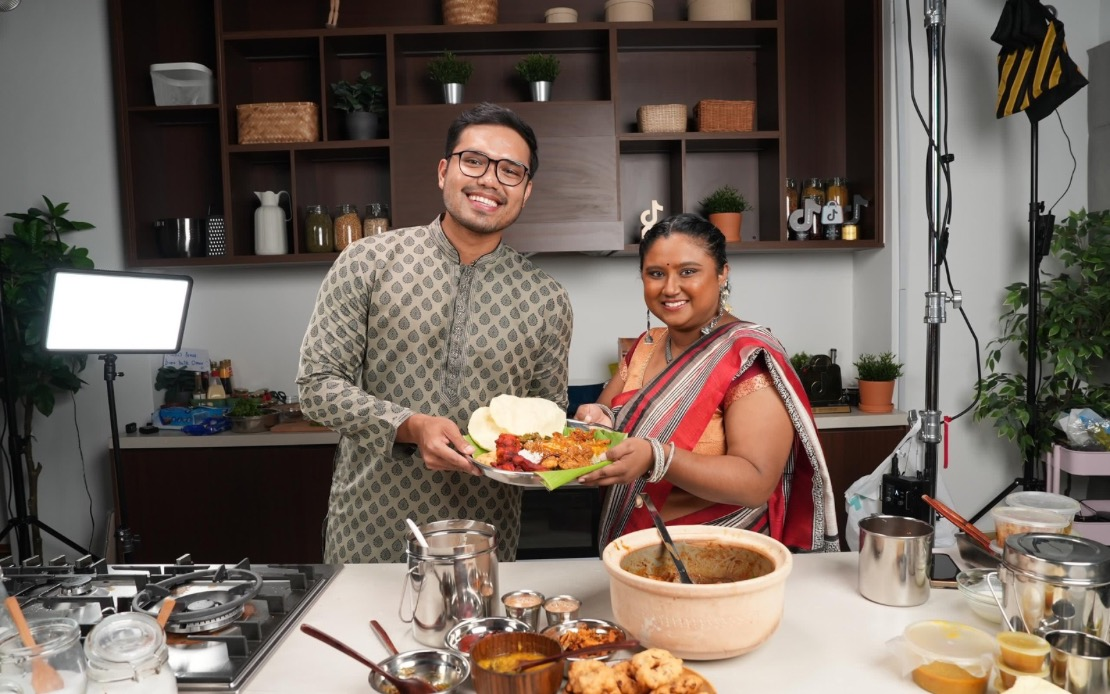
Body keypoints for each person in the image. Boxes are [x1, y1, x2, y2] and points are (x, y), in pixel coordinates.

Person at [297, 103, 573, 563]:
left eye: (510, 171)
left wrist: (584, 437)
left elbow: (546, 420)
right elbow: (317, 387)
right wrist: (409, 425)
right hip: (369, 532)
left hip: (484, 537)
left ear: (526, 192)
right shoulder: (368, 261)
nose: (489, 180)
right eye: (474, 161)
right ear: (444, 171)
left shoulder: (547, 298)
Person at [576, 213, 838, 553]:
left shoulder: (746, 357)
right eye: (656, 274)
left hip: (719, 555)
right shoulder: (646, 345)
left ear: (722, 272)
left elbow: (756, 481)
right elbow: (610, 417)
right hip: (631, 547)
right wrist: (598, 416)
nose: (670, 288)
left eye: (688, 271)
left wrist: (657, 458)